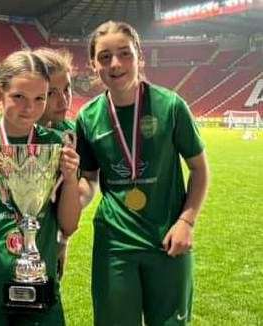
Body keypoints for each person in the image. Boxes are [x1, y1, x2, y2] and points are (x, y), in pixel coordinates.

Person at [75, 21, 209, 325]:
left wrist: (186, 222)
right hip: (115, 244)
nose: (116, 63)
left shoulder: (171, 106)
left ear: (140, 57)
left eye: (125, 53)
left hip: (168, 240)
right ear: (93, 65)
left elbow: (200, 169)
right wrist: (71, 200)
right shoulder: (87, 117)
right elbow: (90, 179)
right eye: (105, 57)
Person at [0, 50, 81, 326]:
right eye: (19, 97)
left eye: (39, 99)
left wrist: (70, 180)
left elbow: (69, 225)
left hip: (39, 282)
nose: (29, 108)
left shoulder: (57, 146)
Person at [34, 47, 75, 280]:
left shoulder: (70, 133)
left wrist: (63, 238)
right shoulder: (4, 135)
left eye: (67, 89)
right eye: (51, 93)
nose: (64, 100)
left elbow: (87, 182)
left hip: (52, 236)